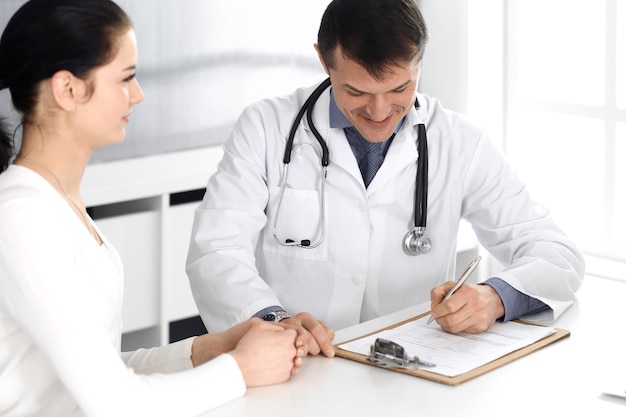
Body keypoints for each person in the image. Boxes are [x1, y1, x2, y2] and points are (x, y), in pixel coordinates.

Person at [186, 0, 585, 358]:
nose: (379, 111)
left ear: (420, 62)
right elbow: (216, 252)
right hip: (293, 362)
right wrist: (271, 321)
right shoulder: (266, 127)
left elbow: (555, 253)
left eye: (400, 88)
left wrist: (495, 297)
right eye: (356, 91)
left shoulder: (460, 142)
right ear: (324, 62)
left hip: (410, 369)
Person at [0, 1, 303, 416]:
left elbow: (99, 374)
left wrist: (208, 350)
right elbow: (115, 403)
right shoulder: (21, 218)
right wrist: (242, 369)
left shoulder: (59, 202)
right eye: (125, 78)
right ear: (67, 89)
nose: (138, 94)